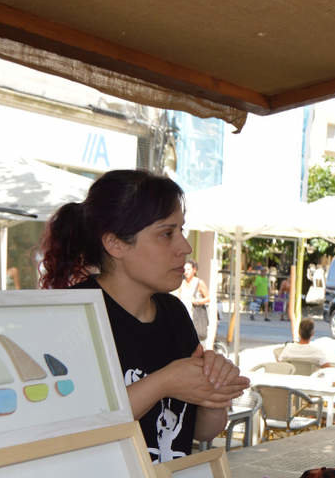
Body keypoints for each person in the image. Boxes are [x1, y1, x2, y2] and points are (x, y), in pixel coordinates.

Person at [38, 169, 248, 462]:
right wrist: (164, 382)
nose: (185, 248)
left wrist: (215, 393)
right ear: (115, 244)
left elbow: (203, 431)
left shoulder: (174, 313)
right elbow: (77, 427)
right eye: (166, 234)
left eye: (181, 230)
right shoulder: (75, 315)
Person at [179, 259, 210, 345]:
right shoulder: (182, 283)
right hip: (184, 316)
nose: (186, 272)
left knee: (195, 341)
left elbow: (208, 298)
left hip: (195, 317)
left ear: (194, 270)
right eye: (184, 269)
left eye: (188, 269)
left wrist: (197, 301)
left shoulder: (199, 282)